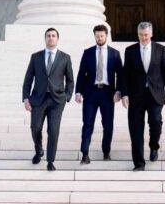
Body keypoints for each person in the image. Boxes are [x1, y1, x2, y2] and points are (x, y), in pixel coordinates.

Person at [122, 21, 165, 170]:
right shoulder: (130, 50)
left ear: (151, 34)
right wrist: (124, 93)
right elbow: (125, 75)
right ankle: (139, 163)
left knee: (155, 121)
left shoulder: (160, 49)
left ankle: (154, 145)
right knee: (136, 128)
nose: (144, 38)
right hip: (136, 95)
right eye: (141, 35)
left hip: (155, 93)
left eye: (146, 35)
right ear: (137, 35)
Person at [22, 27, 74, 171]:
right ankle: (39, 150)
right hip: (38, 98)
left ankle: (50, 161)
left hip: (57, 100)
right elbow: (28, 79)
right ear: (45, 38)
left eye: (53, 36)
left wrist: (67, 97)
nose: (51, 38)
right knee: (35, 127)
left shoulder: (65, 58)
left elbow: (70, 80)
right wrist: (26, 98)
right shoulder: (36, 57)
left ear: (57, 39)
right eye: (48, 36)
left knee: (53, 130)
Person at [74, 24, 124, 163]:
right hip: (91, 93)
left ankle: (106, 151)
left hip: (108, 94)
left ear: (106, 36)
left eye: (102, 36)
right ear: (94, 36)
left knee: (108, 125)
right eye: (97, 36)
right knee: (87, 123)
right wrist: (78, 92)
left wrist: (119, 91)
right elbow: (81, 74)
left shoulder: (115, 53)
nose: (99, 38)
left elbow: (120, 75)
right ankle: (85, 153)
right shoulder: (88, 52)